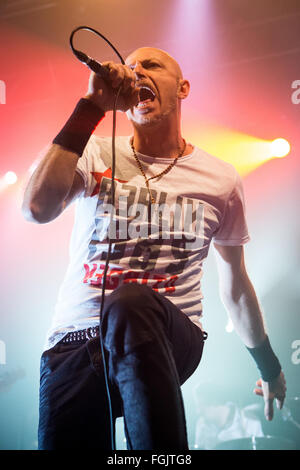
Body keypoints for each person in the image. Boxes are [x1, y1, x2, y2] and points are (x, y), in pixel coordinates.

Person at [22, 46, 286, 450]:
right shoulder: (94, 152)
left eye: (150, 66)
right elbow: (36, 208)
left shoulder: (220, 179)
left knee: (129, 303)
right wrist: (92, 105)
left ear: (182, 88)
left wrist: (269, 368)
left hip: (169, 335)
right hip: (77, 338)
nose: (136, 73)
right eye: (129, 68)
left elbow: (235, 287)